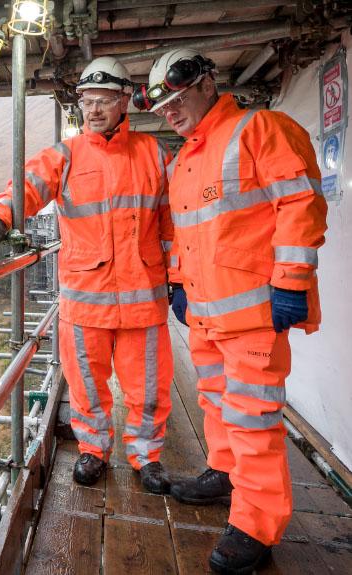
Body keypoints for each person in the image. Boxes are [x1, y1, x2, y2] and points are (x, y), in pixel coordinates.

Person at [135, 48, 328, 574]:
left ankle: (257, 524)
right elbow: (183, 234)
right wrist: (178, 284)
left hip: (254, 316)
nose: (169, 112)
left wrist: (290, 283)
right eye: (162, 108)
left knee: (252, 420)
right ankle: (224, 475)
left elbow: (301, 203)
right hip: (206, 315)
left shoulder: (260, 129)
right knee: (217, 405)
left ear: (205, 83)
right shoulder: (186, 159)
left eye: (176, 100)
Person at [0, 56, 175, 494]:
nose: (95, 110)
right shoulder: (66, 155)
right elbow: (27, 183)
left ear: (125, 101)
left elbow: (170, 222)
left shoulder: (154, 154)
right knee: (86, 382)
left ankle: (147, 457)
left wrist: (177, 276)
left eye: (104, 100)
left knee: (147, 386)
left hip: (144, 296)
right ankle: (93, 450)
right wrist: (2, 216)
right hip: (87, 297)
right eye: (88, 101)